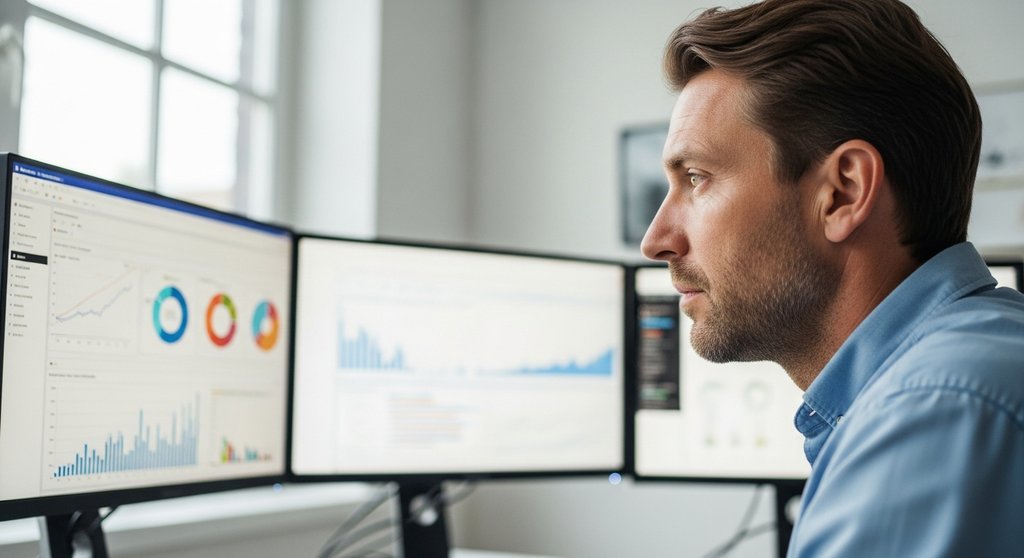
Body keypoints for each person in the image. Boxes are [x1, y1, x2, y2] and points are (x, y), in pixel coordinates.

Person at [640, 0, 1024, 555]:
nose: (657, 240)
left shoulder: (935, 410)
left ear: (843, 192)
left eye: (697, 178)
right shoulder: (974, 355)